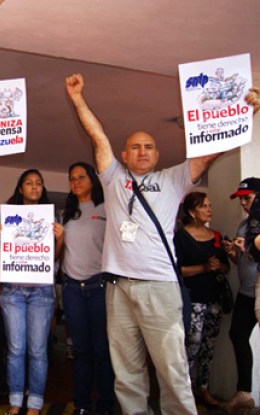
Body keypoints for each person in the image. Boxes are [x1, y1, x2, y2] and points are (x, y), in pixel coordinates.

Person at [65, 73, 224, 415]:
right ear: (124, 154)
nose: (142, 151)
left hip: (160, 287)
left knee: (172, 369)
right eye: (135, 146)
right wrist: (78, 99)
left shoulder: (174, 178)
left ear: (157, 153)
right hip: (118, 288)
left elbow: (210, 151)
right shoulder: (113, 178)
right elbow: (97, 136)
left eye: (148, 146)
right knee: (127, 373)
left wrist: (246, 112)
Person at [0, 169, 60, 415]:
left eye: (38, 183)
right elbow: (4, 258)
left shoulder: (51, 220)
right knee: (16, 348)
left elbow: (54, 259)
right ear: (20, 189)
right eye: (28, 183)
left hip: (41, 291)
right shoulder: (8, 217)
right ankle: (16, 400)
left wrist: (60, 240)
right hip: (13, 291)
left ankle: (35, 403)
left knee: (38, 350)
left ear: (42, 188)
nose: (34, 187)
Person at [56, 162, 114, 415]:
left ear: (93, 179)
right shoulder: (65, 215)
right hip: (72, 288)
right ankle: (81, 405)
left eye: (81, 176)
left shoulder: (107, 209)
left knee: (102, 348)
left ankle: (104, 405)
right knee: (80, 350)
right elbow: (56, 255)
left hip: (99, 286)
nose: (76, 181)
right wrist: (57, 238)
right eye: (72, 178)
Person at [173, 192, 230, 406]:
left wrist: (220, 265)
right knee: (192, 343)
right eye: (204, 206)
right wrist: (204, 267)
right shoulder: (181, 237)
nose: (209, 209)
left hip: (214, 298)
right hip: (193, 298)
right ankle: (183, 390)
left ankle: (202, 388)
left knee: (209, 344)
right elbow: (177, 271)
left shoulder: (215, 236)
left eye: (209, 205)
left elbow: (226, 267)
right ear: (191, 211)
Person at [218, 178, 260, 413]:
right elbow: (241, 259)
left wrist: (247, 250)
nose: (243, 203)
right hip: (246, 291)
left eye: (248, 198)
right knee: (237, 334)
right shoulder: (244, 226)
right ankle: (244, 393)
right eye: (241, 199)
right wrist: (233, 252)